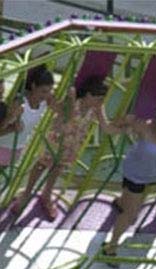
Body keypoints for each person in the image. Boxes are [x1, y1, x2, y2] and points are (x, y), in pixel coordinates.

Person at [13, 76, 110, 221]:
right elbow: (61, 111)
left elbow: (106, 126)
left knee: (58, 168)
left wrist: (124, 126)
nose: (101, 102)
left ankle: (47, 194)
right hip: (57, 141)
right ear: (88, 95)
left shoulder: (96, 108)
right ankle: (27, 192)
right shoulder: (73, 102)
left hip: (72, 144)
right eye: (99, 98)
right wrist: (65, 98)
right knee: (41, 165)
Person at [101, 107, 156, 262]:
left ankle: (121, 203)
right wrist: (124, 118)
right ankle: (111, 246)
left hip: (154, 176)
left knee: (130, 207)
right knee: (130, 216)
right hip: (135, 175)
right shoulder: (143, 127)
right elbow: (110, 128)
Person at [0, 66, 55, 167]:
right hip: (3, 147)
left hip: (16, 149)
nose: (46, 95)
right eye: (43, 91)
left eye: (49, 91)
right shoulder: (19, 102)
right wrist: (11, 121)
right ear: (34, 86)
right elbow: (3, 127)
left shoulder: (44, 102)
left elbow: (63, 112)